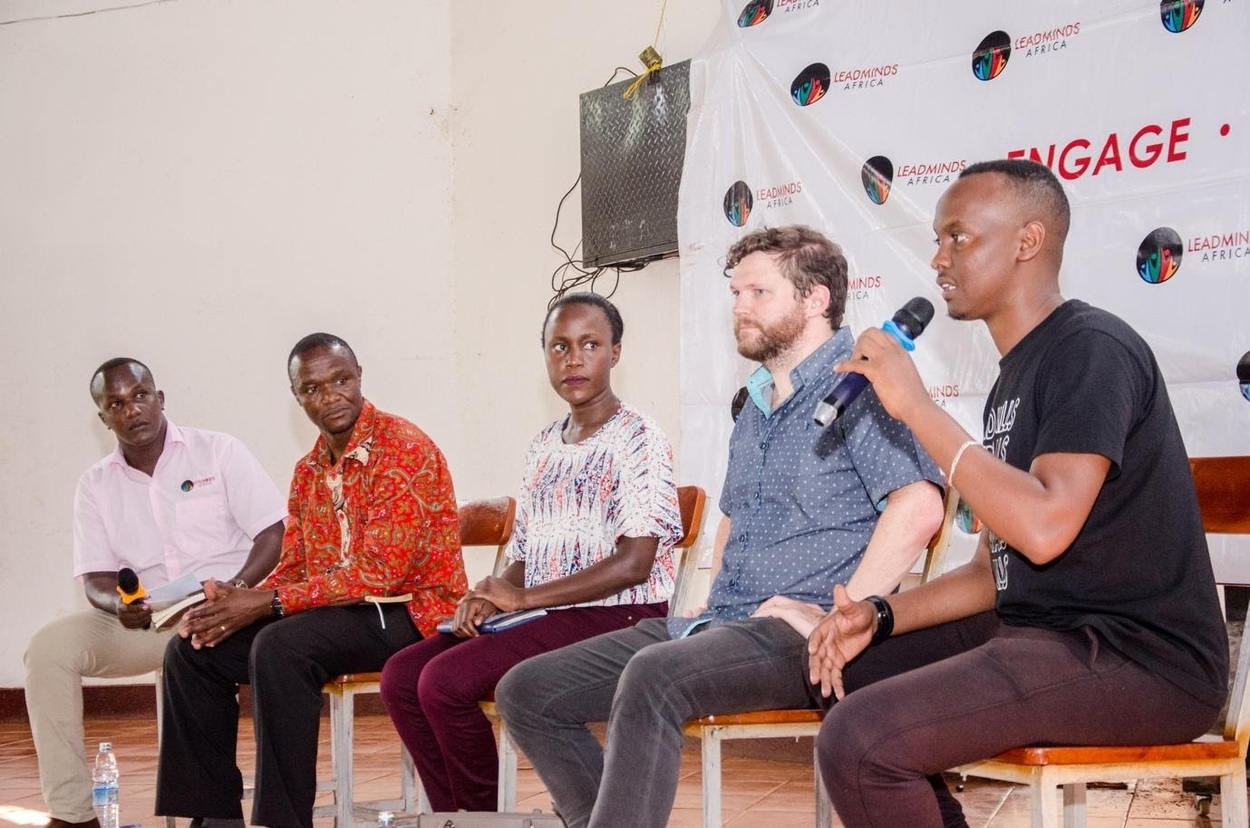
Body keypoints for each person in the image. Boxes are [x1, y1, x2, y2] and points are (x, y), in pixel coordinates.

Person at [810, 159, 1229, 828]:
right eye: (938, 240)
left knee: (863, 740)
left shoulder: (1091, 350)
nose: (938, 257)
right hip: (1044, 631)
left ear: (1027, 242)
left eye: (958, 237)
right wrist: (880, 615)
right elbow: (992, 570)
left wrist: (919, 409)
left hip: (1139, 659)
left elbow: (1042, 528)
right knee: (845, 675)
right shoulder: (1015, 378)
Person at [495, 225, 946, 828]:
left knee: (652, 677)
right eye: (735, 293)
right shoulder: (755, 405)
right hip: (720, 622)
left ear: (815, 300)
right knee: (526, 691)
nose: (738, 308)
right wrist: (708, 606)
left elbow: (919, 507)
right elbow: (732, 518)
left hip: (802, 631)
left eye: (758, 292)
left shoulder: (861, 387)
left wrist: (844, 618)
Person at [379, 293, 684, 812]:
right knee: (402, 678)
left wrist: (521, 600)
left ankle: (478, 816)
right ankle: (454, 816)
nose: (573, 359)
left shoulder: (638, 438)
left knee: (445, 682)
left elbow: (635, 564)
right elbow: (524, 550)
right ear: (544, 356)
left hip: (621, 614)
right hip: (548, 611)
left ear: (616, 353)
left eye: (590, 344)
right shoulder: (544, 442)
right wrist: (492, 594)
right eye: (558, 347)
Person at [154, 333, 467, 828]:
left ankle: (283, 821)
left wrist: (268, 603)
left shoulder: (404, 449)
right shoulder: (309, 471)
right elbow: (297, 563)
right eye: (313, 388)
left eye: (340, 380)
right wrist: (240, 598)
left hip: (413, 612)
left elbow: (380, 573)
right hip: (340, 613)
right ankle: (214, 819)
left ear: (360, 375)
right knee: (193, 649)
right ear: (298, 397)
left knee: (282, 645)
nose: (331, 396)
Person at [24, 358, 285, 828]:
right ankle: (73, 813)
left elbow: (271, 533)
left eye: (140, 396)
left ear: (160, 399)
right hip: (148, 619)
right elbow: (97, 579)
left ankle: (214, 813)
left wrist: (239, 589)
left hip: (225, 610)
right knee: (48, 649)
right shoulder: (95, 484)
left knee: (198, 653)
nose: (132, 410)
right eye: (116, 404)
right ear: (103, 418)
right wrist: (122, 605)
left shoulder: (218, 452)